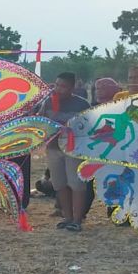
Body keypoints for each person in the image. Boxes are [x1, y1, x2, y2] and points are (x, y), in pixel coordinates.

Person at [43, 72, 92, 232]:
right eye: (56, 85)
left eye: (63, 86)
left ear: (72, 88)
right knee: (59, 184)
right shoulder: (48, 103)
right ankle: (67, 217)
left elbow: (89, 127)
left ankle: (77, 220)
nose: (58, 89)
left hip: (74, 150)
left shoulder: (82, 105)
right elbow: (39, 122)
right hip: (53, 148)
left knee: (76, 184)